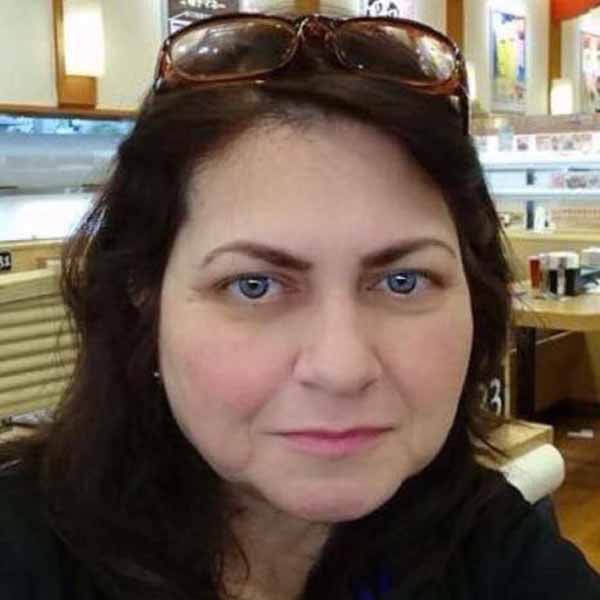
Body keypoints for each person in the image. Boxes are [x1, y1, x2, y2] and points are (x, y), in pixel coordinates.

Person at [1, 10, 599, 600]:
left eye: (403, 281)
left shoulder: (494, 549)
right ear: (144, 303)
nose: (342, 369)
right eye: (254, 285)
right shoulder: (24, 554)